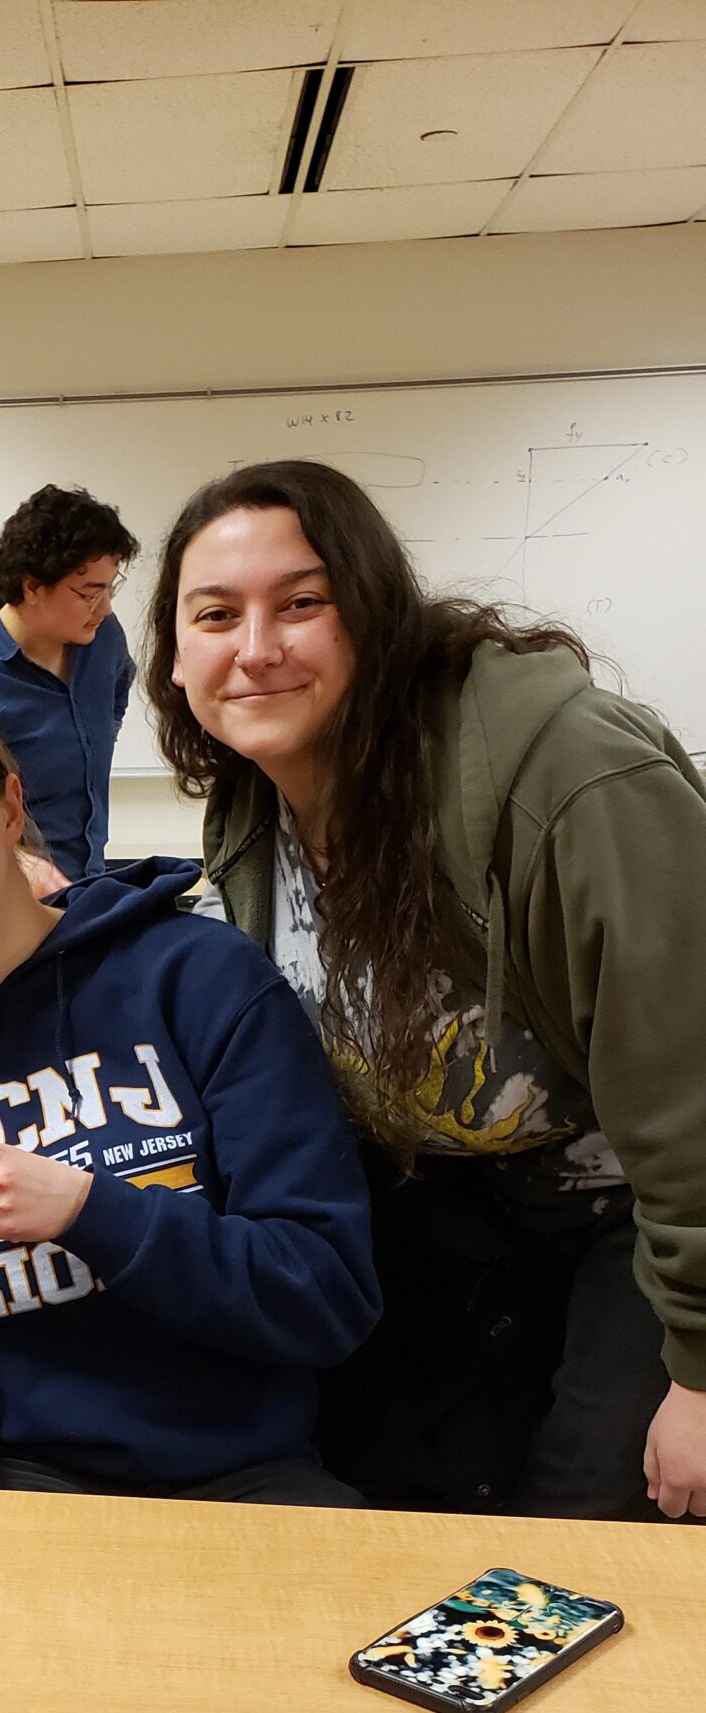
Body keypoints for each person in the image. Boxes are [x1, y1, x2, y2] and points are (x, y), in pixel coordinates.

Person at [143, 458, 706, 1523]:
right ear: (176, 661)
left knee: (580, 1547)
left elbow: (696, 1085)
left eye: (301, 603)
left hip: (635, 1223)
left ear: (372, 615)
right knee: (370, 1516)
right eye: (215, 615)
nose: (255, 648)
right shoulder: (252, 814)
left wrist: (701, 1373)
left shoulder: (563, 776)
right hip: (448, 1221)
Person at [0, 670, 379, 1637]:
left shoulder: (198, 979)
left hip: (243, 1474)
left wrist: (92, 1211)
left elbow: (325, 1291)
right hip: (16, 1489)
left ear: (8, 803)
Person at [0, 482, 138, 883]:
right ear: (32, 586)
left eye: (110, 590)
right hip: (8, 899)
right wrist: (22, 862)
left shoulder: (103, 638)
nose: (104, 608)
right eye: (88, 594)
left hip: (88, 881)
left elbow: (116, 695)